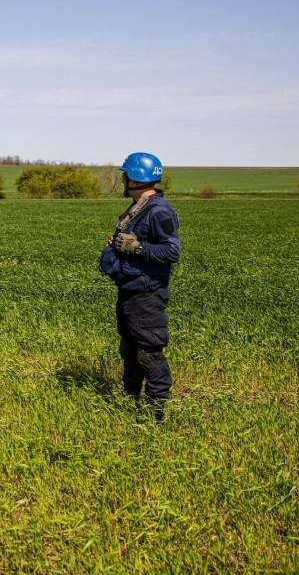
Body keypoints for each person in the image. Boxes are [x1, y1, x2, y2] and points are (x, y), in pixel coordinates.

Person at [99, 152, 181, 423]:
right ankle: (129, 405)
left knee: (149, 354)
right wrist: (118, 245)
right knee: (130, 351)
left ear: (135, 179)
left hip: (147, 295)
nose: (123, 181)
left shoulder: (158, 211)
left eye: (125, 176)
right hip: (130, 291)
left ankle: (156, 415)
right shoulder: (138, 208)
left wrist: (136, 247)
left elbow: (171, 252)